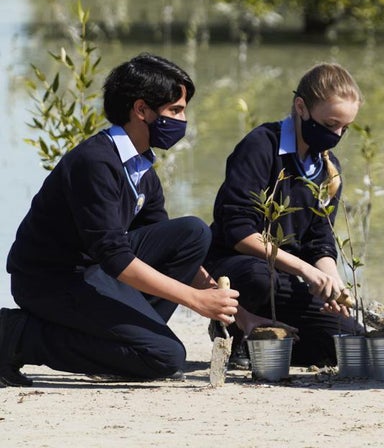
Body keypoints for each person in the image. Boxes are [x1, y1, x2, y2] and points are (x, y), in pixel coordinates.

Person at [1, 53, 279, 387]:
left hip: (95, 275)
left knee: (192, 233)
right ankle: (15, 335)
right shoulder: (95, 162)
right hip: (51, 281)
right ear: (141, 110)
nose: (182, 120)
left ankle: (118, 343)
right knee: (164, 357)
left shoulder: (141, 167)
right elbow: (115, 257)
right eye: (175, 110)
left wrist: (240, 318)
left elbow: (168, 249)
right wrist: (195, 301)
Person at [205, 62, 363, 367]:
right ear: (301, 107)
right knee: (259, 278)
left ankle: (270, 342)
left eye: (345, 127)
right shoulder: (260, 146)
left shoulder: (329, 170)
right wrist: (306, 271)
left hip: (286, 276)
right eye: (330, 124)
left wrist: (331, 280)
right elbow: (237, 230)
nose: (337, 134)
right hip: (237, 267)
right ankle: (232, 326)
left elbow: (320, 238)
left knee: (345, 346)